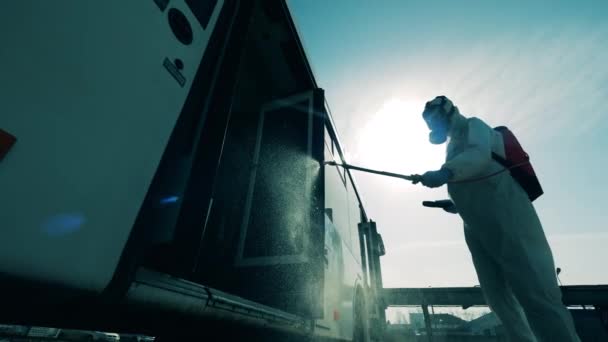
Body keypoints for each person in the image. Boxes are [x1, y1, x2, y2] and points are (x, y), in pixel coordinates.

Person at [414, 95, 580, 342]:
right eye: (429, 122)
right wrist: (456, 204)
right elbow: (477, 181)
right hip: (478, 226)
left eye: (435, 120)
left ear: (448, 113)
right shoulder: (452, 145)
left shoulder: (474, 126)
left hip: (509, 218)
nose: (432, 126)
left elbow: (478, 157)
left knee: (537, 294)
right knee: (498, 299)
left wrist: (445, 173)